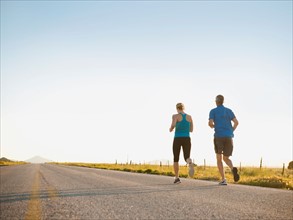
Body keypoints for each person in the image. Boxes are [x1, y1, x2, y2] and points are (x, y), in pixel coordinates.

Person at [208, 95, 240, 185]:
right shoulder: (229, 111)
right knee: (226, 158)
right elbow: (236, 122)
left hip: (219, 136)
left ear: (216, 101)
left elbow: (210, 123)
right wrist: (231, 130)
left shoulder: (213, 111)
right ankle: (233, 168)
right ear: (223, 101)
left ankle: (223, 179)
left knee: (219, 158)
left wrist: (214, 126)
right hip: (229, 137)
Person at [169, 103, 194, 184]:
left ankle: (177, 178)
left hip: (177, 138)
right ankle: (189, 162)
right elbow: (191, 130)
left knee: (176, 158)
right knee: (186, 156)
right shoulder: (189, 117)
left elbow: (173, 125)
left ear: (177, 108)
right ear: (183, 108)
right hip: (187, 138)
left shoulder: (175, 116)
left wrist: (171, 129)